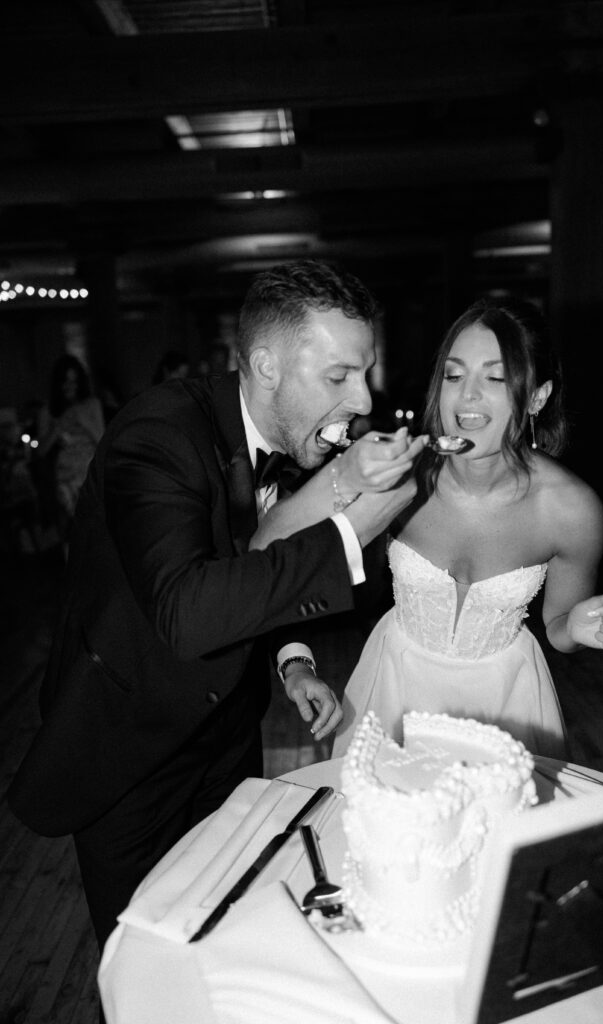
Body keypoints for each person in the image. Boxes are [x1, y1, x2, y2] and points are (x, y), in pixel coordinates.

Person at [7, 259, 425, 951]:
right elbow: (187, 610)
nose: (363, 398)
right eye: (338, 376)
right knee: (141, 955)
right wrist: (351, 530)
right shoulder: (155, 438)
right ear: (265, 366)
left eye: (364, 372)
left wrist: (291, 660)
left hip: (227, 737)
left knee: (221, 933)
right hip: (128, 753)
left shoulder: (294, 436)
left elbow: (254, 558)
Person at [252, 296, 603, 761]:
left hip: (507, 704)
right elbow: (273, 550)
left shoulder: (571, 510)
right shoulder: (404, 474)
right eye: (454, 375)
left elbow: (557, 625)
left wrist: (574, 626)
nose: (467, 396)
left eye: (494, 377)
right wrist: (295, 664)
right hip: (395, 691)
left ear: (537, 396)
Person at [37, 354, 105, 546]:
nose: (70, 387)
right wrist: (58, 427)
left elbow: (102, 440)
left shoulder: (92, 404)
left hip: (90, 474)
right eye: (66, 382)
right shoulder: (48, 410)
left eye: (74, 382)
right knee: (76, 527)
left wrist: (83, 421)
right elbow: (41, 451)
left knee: (96, 526)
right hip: (66, 477)